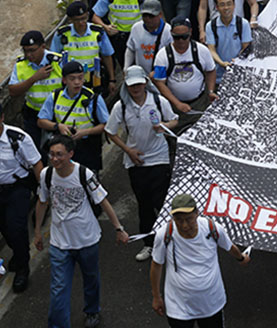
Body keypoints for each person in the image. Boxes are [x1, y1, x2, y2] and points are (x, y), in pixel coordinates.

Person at [34, 134, 128, 328]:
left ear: (71, 154)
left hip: (87, 239)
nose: (54, 159)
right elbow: (42, 202)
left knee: (91, 279)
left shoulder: (84, 174)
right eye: (51, 154)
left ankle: (92, 311)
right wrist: (37, 232)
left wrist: (119, 228)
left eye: (59, 154)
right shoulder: (46, 175)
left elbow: (103, 201)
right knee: (58, 288)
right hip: (60, 242)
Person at [104, 65, 177, 263]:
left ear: (145, 82)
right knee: (144, 204)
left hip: (159, 158)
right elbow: (110, 132)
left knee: (161, 202)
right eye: (131, 85)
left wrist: (162, 126)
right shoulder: (122, 107)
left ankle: (170, 240)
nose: (135, 88)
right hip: (136, 162)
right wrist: (128, 151)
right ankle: (149, 243)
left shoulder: (158, 101)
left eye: (138, 84)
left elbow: (174, 120)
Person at [150, 193, 251, 327]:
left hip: (211, 304)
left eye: (189, 219)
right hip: (179, 307)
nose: (185, 225)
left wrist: (241, 258)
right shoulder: (164, 235)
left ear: (197, 213)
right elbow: (156, 265)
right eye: (179, 220)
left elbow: (229, 246)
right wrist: (157, 296)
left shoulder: (212, 228)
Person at [0, 94, 43, 293]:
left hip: (17, 188)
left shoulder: (17, 138)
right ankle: (19, 253)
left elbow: (36, 163)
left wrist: (44, 193)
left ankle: (23, 268)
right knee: (5, 229)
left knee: (16, 226)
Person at [37, 61, 108, 172]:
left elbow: (106, 125)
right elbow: (41, 121)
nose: (77, 82)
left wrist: (85, 132)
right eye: (72, 79)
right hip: (63, 149)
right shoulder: (55, 96)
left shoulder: (93, 99)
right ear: (64, 80)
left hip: (87, 149)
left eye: (80, 78)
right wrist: (58, 126)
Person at [152, 18, 217, 133]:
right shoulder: (162, 55)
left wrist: (210, 91)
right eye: (177, 37)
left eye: (184, 36)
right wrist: (177, 104)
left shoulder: (202, 50)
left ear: (190, 32)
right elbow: (159, 83)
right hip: (174, 104)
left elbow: (211, 71)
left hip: (199, 102)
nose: (181, 41)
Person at [91, 0, 149, 86]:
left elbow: (151, 14)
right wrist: (105, 27)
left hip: (139, 36)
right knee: (126, 67)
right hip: (119, 38)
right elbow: (95, 16)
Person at [9, 29, 66, 148]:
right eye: (25, 51)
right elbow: (12, 91)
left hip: (58, 113)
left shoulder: (58, 61)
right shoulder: (20, 64)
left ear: (43, 47)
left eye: (32, 50)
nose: (29, 55)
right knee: (36, 149)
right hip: (33, 114)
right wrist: (34, 78)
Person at [204, 0, 252, 79]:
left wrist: (237, 60)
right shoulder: (210, 25)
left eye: (229, 4)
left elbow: (246, 47)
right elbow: (211, 49)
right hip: (218, 74)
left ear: (234, 5)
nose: (226, 8)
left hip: (240, 71)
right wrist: (222, 63)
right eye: (222, 5)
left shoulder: (243, 23)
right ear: (217, 7)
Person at [124, 0, 173, 79]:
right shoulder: (136, 28)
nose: (147, 19)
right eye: (145, 16)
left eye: (151, 16)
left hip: (160, 76)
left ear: (160, 14)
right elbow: (130, 49)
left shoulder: (168, 31)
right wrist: (126, 68)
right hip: (141, 76)